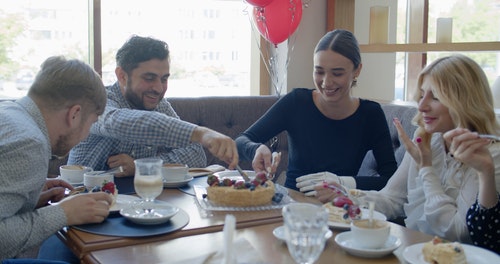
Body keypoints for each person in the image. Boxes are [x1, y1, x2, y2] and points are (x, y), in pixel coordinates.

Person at [315, 54, 500, 244]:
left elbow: (458, 233)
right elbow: (392, 199)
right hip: (414, 252)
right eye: (421, 95)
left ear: (464, 102)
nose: (421, 106)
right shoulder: (430, 140)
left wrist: (427, 169)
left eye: (435, 97)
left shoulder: (489, 156)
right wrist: (347, 196)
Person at [235, 29, 397, 191]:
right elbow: (240, 142)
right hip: (293, 206)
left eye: (337, 73)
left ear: (357, 70)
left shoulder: (370, 114)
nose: (327, 82)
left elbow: (391, 179)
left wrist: (343, 183)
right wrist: (257, 148)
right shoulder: (297, 102)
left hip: (339, 210)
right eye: (319, 71)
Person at [68, 35, 238, 176]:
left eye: (164, 79)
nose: (158, 88)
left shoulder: (158, 104)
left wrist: (141, 166)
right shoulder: (98, 101)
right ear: (122, 76)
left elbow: (196, 154)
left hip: (138, 204)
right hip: (82, 201)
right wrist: (201, 133)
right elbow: (119, 123)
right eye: (149, 78)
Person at [0, 56, 113, 260]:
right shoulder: (29, 143)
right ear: (75, 114)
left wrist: (29, 196)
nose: (86, 134)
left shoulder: (9, 112)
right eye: (91, 124)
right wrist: (63, 213)